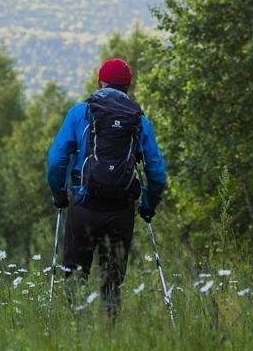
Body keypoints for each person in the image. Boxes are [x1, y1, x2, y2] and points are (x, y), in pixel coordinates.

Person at [45, 57, 167, 316]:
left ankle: (80, 334)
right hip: (121, 210)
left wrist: (59, 194)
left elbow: (57, 159)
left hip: (83, 205)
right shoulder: (139, 121)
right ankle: (111, 338)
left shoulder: (80, 113)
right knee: (112, 283)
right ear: (128, 87)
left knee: (75, 277)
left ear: (100, 83)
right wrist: (148, 205)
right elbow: (156, 171)